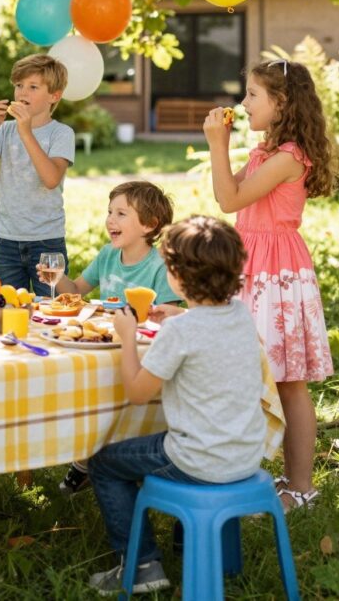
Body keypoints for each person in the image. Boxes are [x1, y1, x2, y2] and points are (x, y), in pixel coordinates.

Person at [86, 216, 267, 594]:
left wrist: (128, 338)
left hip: (199, 459)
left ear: (177, 276)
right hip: (247, 455)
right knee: (151, 443)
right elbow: (207, 329)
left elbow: (137, 392)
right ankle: (190, 548)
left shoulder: (180, 332)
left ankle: (142, 566)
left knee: (103, 462)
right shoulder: (241, 315)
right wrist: (180, 312)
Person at [206, 57, 339, 512]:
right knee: (250, 370)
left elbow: (229, 198)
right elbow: (227, 197)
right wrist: (225, 150)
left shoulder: (286, 159)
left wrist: (216, 145)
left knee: (288, 380)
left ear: (281, 103)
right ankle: (250, 469)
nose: (243, 103)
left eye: (252, 96)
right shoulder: (264, 153)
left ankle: (300, 484)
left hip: (277, 273)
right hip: (252, 266)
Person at [39, 180, 181, 496]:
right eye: (109, 212)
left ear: (149, 224)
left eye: (121, 213)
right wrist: (58, 278)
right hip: (103, 344)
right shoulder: (107, 256)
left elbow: (168, 317)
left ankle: (97, 464)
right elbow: (76, 291)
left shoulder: (160, 265)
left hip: (141, 351)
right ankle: (85, 459)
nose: (110, 220)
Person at [0, 54, 75, 295]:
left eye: (32, 87)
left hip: (47, 241)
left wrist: (26, 132)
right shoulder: (6, 130)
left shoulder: (61, 133)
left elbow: (51, 180)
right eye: (19, 85)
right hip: (6, 239)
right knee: (9, 308)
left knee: (50, 309)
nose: (22, 92)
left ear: (54, 96)